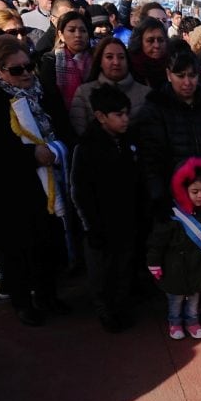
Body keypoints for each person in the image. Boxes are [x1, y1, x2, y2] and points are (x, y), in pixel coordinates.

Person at [0, 35, 73, 326]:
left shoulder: (46, 93)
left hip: (51, 181)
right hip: (14, 190)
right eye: (16, 70)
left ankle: (49, 295)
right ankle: (24, 303)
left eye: (29, 66)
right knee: (19, 250)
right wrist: (31, 156)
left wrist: (55, 150)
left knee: (49, 243)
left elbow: (64, 128)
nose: (26, 73)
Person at [71, 84, 140, 332]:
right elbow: (79, 191)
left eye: (126, 114)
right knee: (102, 273)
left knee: (123, 268)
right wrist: (90, 226)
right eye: (119, 115)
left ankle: (121, 307)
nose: (125, 120)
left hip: (126, 220)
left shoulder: (127, 142)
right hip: (99, 225)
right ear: (100, 116)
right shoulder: (87, 148)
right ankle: (105, 311)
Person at [146, 157, 201, 340]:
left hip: (196, 267)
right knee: (176, 299)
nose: (200, 196)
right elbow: (157, 242)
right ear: (183, 190)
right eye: (194, 191)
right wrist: (154, 263)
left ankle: (192, 321)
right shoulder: (171, 215)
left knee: (195, 298)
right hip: (174, 268)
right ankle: (175, 322)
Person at [135, 47, 201, 215]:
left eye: (192, 76)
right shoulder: (155, 107)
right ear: (168, 75)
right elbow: (150, 160)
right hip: (171, 199)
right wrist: (159, 197)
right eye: (180, 76)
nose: (187, 82)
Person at [69, 36, 151, 136]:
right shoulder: (83, 93)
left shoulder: (146, 94)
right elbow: (79, 134)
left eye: (121, 57)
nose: (116, 62)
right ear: (100, 61)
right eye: (109, 57)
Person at [38, 10, 93, 110]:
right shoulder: (51, 61)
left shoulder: (96, 59)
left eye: (83, 31)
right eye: (72, 30)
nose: (78, 35)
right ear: (61, 35)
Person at [127, 17, 169, 89]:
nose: (157, 45)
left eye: (161, 40)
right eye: (150, 40)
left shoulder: (173, 66)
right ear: (139, 42)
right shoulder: (128, 69)